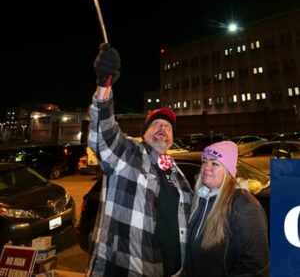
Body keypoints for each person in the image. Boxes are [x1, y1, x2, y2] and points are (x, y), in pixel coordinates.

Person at [86, 43, 192, 277]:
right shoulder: (129, 154)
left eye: (167, 126)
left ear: (173, 138)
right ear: (144, 133)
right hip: (126, 269)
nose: (162, 128)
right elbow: (103, 135)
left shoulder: (178, 175)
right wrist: (104, 84)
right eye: (156, 124)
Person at [185, 140, 270, 277]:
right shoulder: (199, 199)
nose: (206, 167)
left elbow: (256, 268)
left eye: (214, 163)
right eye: (204, 161)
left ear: (228, 170)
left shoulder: (245, 207)